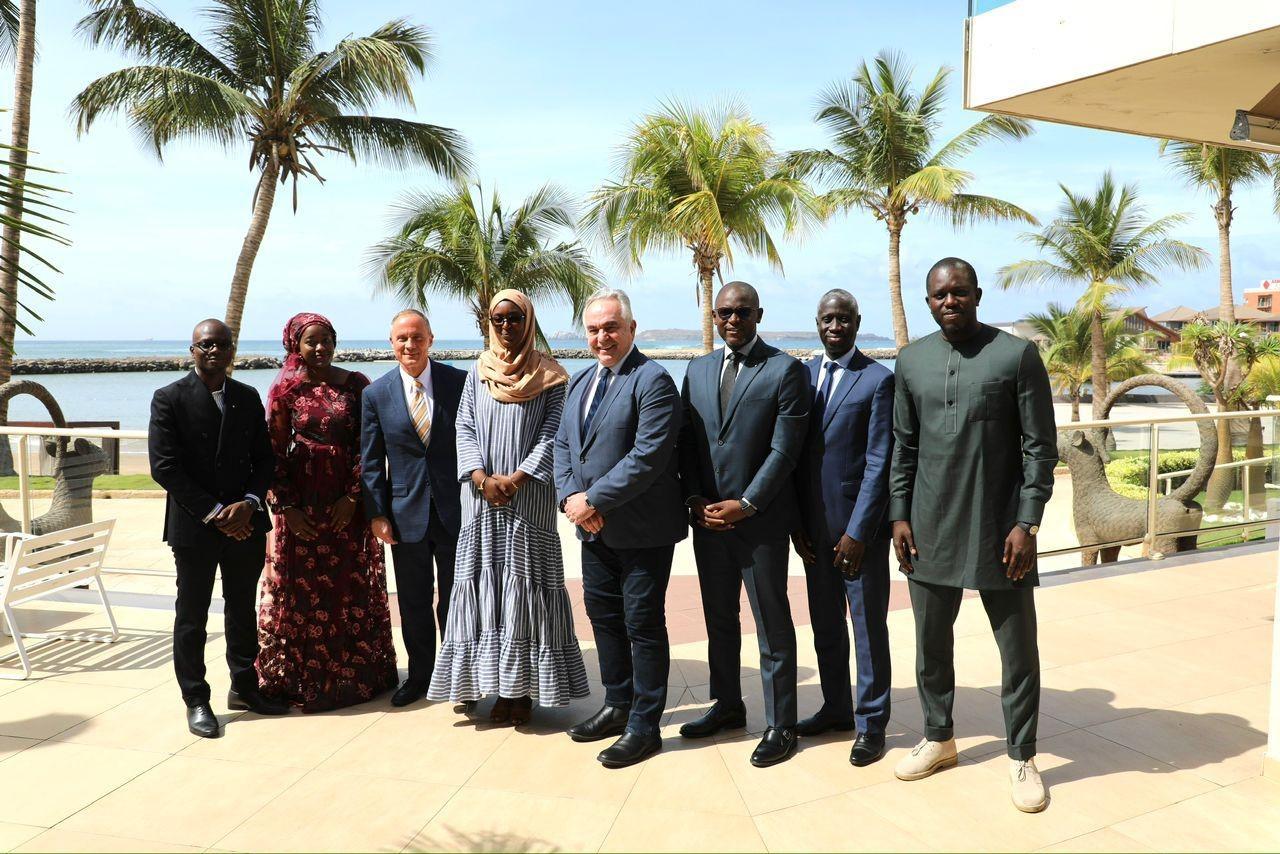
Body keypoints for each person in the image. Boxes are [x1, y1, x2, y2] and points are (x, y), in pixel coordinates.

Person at [889, 258, 1057, 813]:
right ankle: (939, 738)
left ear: (977, 294)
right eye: (939, 295)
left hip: (1000, 532)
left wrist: (1026, 522)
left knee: (1018, 651)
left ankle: (1022, 755)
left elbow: (1040, 448)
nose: (949, 302)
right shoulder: (911, 362)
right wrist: (898, 515)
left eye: (959, 293)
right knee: (930, 648)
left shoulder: (1015, 355)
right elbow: (903, 448)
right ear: (927, 300)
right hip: (928, 530)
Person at [430, 289, 589, 724]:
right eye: (498, 319)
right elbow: (463, 428)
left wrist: (516, 478)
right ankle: (487, 685)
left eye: (514, 318)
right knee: (485, 592)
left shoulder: (553, 376)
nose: (505, 326)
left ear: (528, 321)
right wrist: (481, 479)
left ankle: (521, 693)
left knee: (524, 592)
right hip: (480, 501)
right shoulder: (477, 372)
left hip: (528, 500)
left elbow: (554, 435)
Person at [678, 281, 810, 767]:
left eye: (742, 312)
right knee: (719, 620)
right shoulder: (697, 369)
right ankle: (728, 704)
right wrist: (695, 497)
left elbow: (785, 450)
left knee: (771, 624)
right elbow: (688, 442)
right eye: (724, 312)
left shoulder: (785, 370)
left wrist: (748, 503)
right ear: (714, 316)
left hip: (760, 524)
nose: (732, 320)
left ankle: (782, 724)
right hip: (708, 522)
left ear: (759, 314)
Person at [553, 288, 685, 768]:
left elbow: (648, 457)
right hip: (593, 530)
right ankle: (616, 704)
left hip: (643, 530)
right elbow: (564, 447)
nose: (602, 337)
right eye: (593, 329)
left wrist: (594, 499)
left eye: (611, 327)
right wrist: (571, 499)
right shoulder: (580, 382)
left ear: (631, 329)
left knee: (643, 624)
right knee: (604, 617)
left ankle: (644, 726)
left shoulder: (654, 381)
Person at [148, 319, 288, 738]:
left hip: (246, 524)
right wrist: (215, 513)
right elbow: (164, 467)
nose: (214, 351)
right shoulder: (168, 398)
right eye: (206, 344)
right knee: (191, 616)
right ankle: (196, 699)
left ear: (232, 351)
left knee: (242, 609)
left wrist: (247, 504)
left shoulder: (246, 397)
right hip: (195, 527)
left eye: (222, 345)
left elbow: (264, 460)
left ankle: (245, 687)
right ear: (192, 350)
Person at [257, 312, 399, 711]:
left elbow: (370, 446)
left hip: (346, 506)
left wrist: (354, 497)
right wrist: (287, 507)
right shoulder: (285, 390)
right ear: (295, 346)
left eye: (326, 340)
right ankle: (305, 677)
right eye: (310, 341)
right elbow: (273, 452)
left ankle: (353, 675)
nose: (319, 348)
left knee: (346, 586)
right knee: (301, 593)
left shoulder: (356, 385)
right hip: (302, 506)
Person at [792, 289, 895, 767]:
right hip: (813, 531)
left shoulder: (877, 380)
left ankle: (871, 723)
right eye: (828, 319)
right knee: (825, 624)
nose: (836, 327)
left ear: (857, 323)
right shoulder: (803, 374)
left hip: (859, 535)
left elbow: (879, 463)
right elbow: (793, 456)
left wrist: (858, 532)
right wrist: (797, 524)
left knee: (868, 629)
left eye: (844, 320)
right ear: (817, 322)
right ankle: (835, 707)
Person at [361, 309, 466, 707]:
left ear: (430, 339)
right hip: (404, 516)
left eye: (417, 337)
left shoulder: (459, 382)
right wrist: (377, 513)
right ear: (392, 343)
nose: (410, 345)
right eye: (402, 338)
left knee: (457, 599)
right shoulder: (376, 394)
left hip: (455, 511)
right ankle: (420, 675)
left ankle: (459, 674)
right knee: (413, 600)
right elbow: (371, 461)